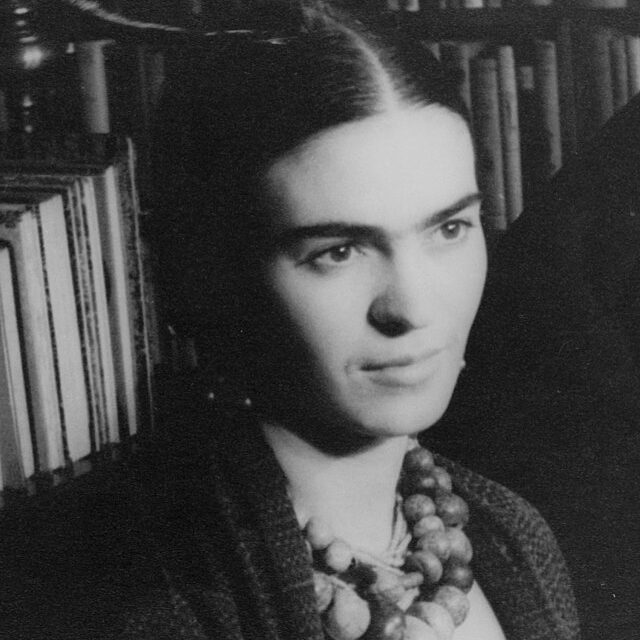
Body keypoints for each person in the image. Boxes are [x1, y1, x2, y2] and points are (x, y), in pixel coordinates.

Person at [0, 3, 580, 640]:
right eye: (339, 251)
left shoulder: (511, 531)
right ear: (211, 270)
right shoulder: (125, 603)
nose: (413, 308)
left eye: (449, 229)